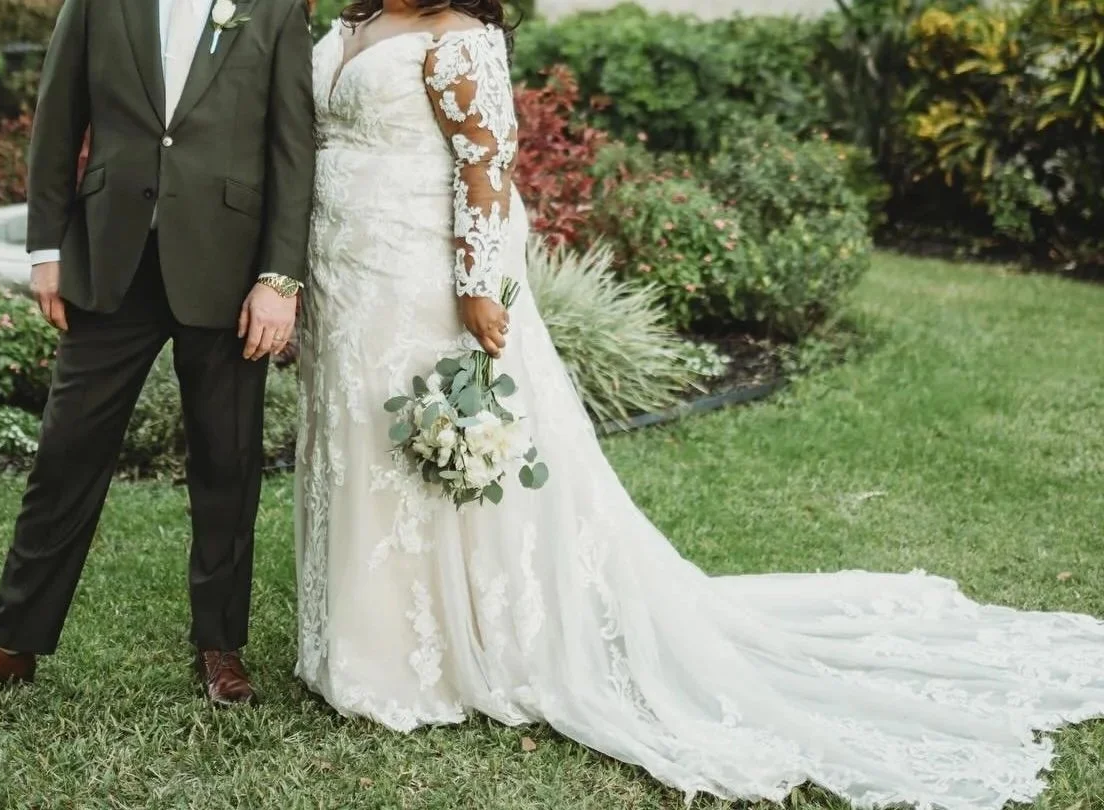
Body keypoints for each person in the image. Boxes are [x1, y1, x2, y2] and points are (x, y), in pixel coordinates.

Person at [295, 1, 1104, 806]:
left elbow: (487, 163)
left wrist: (478, 285)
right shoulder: (351, 20)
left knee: (424, 448)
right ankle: (371, 638)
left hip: (420, 278)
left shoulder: (458, 37)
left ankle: (427, 656)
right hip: (348, 270)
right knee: (358, 439)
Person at [0, 0, 315, 708]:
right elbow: (57, 118)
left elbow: (292, 145)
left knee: (228, 458)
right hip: (110, 258)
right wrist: (45, 250)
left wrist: (279, 278)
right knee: (66, 452)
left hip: (227, 262)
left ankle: (220, 645)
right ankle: (10, 641)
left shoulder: (273, 8)